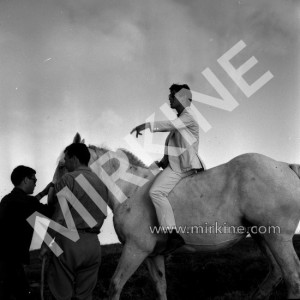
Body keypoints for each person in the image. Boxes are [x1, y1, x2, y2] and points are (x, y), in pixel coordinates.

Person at [131, 83, 205, 252]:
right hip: (176, 165)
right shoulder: (181, 120)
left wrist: (147, 126)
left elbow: (171, 125)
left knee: (155, 192)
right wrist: (163, 162)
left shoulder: (188, 116)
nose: (169, 99)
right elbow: (176, 148)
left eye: (172, 96)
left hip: (183, 168)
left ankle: (172, 235)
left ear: (181, 98)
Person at [41, 143, 107, 300]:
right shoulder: (100, 183)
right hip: (93, 245)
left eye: (66, 159)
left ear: (74, 158)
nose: (65, 163)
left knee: (62, 294)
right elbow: (103, 213)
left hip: (69, 243)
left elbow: (59, 216)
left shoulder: (68, 179)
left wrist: (46, 244)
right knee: (85, 296)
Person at [0, 165, 54, 300]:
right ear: (25, 180)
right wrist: (56, 194)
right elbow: (50, 212)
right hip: (13, 261)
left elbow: (29, 203)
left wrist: (43, 193)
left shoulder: (7, 199)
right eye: (34, 180)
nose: (35, 183)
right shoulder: (27, 202)